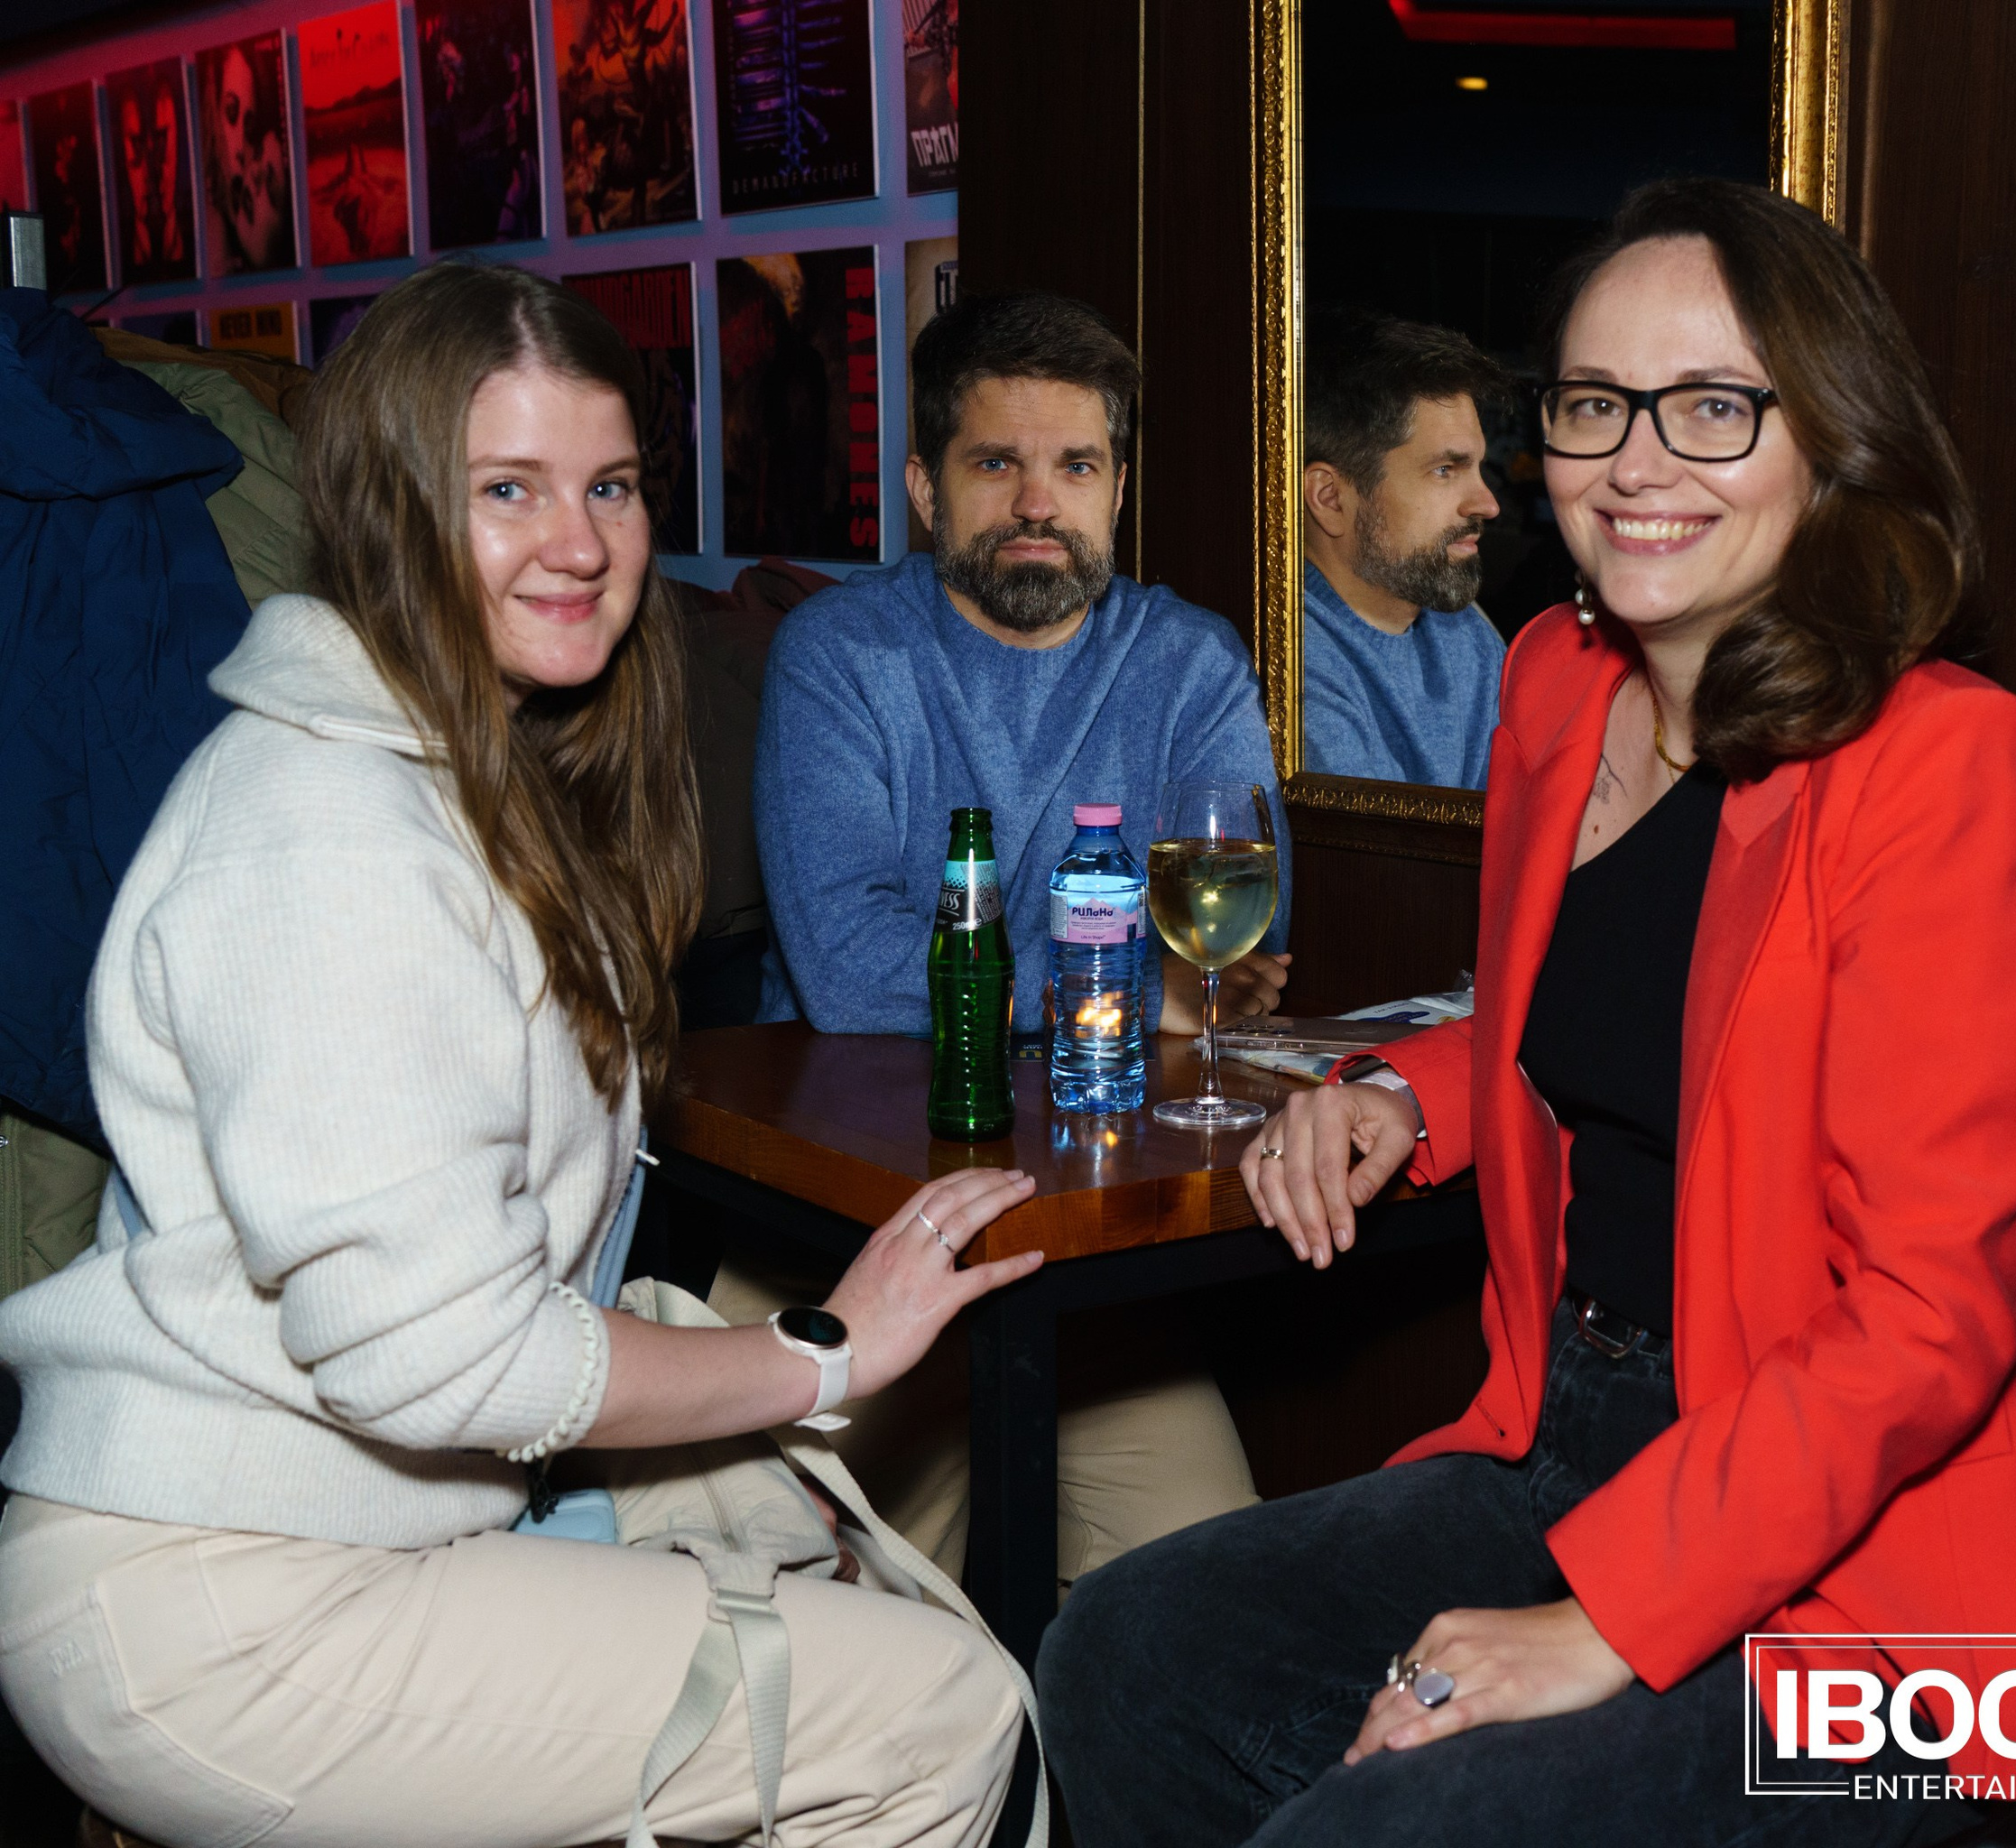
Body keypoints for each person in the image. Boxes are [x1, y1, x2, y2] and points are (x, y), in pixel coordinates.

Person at [1040, 178, 2016, 1846]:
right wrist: (1413, 1091)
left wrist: (1602, 1622)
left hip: (1869, 1590)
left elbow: (1929, 1315)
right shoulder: (1558, 678)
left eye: (1714, 406)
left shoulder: (1951, 767)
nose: (1637, 461)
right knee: (1125, 1652)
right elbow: (1623, 1019)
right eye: (1597, 404)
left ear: (1832, 438)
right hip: (1575, 1428)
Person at [0, 263, 1040, 1848]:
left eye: (611, 484)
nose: (581, 541)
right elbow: (439, 1355)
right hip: (218, 1602)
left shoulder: (459, 768)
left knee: (837, 1555)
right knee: (944, 1715)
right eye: (510, 487)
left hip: (329, 1527)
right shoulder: (325, 828)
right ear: (389, 506)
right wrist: (820, 1357)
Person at [733, 290, 1282, 1594]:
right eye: (997, 464)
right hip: (845, 1229)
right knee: (838, 1630)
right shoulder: (840, 655)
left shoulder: (1190, 663)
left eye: (1076, 466)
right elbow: (851, 973)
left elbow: (1248, 935)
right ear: (925, 487)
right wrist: (1129, 988)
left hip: (1088, 1255)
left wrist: (1133, 988)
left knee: (1205, 1599)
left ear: (1118, 488)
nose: (1040, 502)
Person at [1299, 308, 1512, 789]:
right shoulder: (1291, 659)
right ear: (1330, 498)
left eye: (1478, 468)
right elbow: (1372, 861)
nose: (1488, 503)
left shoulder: (1466, 635)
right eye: (1445, 471)